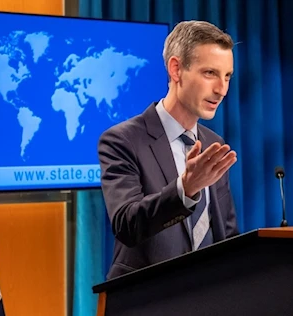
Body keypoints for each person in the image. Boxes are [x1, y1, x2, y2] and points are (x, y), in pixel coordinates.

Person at [98, 20, 239, 280]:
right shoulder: (122, 141)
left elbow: (226, 234)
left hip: (210, 300)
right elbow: (127, 225)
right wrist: (185, 190)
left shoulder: (212, 143)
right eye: (210, 73)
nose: (221, 89)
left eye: (227, 76)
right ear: (176, 69)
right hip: (148, 303)